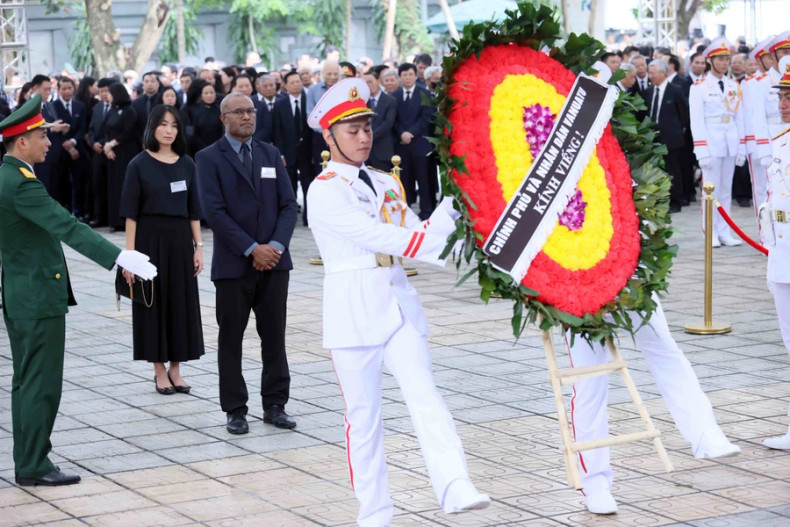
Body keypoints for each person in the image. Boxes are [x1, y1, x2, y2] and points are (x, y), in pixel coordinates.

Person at [306, 78, 490, 527]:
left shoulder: (387, 183)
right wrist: (427, 239)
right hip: (352, 311)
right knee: (363, 418)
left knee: (426, 394)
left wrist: (455, 200)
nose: (364, 136)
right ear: (329, 136)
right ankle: (374, 513)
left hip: (398, 306)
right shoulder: (325, 189)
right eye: (352, 129)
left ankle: (454, 484)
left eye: (367, 126)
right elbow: (382, 237)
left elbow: (418, 229)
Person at [0, 94, 156, 486]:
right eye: (41, 135)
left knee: (27, 380)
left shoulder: (9, 176)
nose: (48, 142)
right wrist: (118, 258)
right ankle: (34, 465)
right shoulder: (21, 185)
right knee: (40, 383)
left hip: (21, 293)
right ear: (22, 141)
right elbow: (66, 226)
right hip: (36, 297)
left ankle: (29, 459)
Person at [567, 295, 740, 515]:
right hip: (577, 290)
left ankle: (705, 433)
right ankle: (595, 482)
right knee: (589, 381)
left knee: (665, 350)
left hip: (632, 279)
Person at [196, 92, 298, 434]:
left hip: (275, 263)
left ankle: (275, 404)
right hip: (233, 265)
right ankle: (235, 409)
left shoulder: (270, 153)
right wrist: (252, 248)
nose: (247, 117)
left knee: (274, 337)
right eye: (239, 112)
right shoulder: (208, 158)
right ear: (223, 118)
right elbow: (214, 212)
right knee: (231, 339)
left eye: (250, 111)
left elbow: (287, 205)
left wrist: (275, 246)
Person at [120, 105, 205, 394]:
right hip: (149, 243)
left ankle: (177, 369)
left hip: (181, 242)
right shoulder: (138, 164)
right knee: (152, 305)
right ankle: (158, 370)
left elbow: (194, 211)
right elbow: (130, 214)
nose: (169, 130)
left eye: (174, 125)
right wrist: (129, 257)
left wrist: (199, 248)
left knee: (181, 304)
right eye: (163, 124)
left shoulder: (187, 164)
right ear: (152, 127)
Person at [689, 37, 746, 247]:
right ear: (710, 61)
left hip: (730, 141)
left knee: (726, 190)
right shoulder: (699, 87)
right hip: (711, 143)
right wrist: (701, 150)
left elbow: (739, 117)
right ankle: (710, 232)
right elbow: (696, 121)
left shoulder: (733, 85)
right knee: (710, 190)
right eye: (720, 59)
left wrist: (741, 146)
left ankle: (724, 232)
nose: (724, 63)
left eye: (726, 59)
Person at [762, 55, 790, 450]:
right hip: (782, 255)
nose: (783, 103)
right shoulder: (779, 142)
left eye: (789, 96)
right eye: (782, 95)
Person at [393, 63, 436, 219]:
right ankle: (406, 209)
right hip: (402, 145)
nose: (408, 78)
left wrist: (410, 133)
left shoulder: (425, 93)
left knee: (423, 179)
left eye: (410, 74)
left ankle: (426, 211)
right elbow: (394, 120)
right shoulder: (395, 95)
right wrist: (401, 133)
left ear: (415, 75)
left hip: (420, 143)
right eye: (404, 75)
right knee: (404, 180)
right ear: (400, 77)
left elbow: (426, 118)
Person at [646, 60, 689, 213]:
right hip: (653, 138)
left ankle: (676, 200)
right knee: (656, 170)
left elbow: (684, 114)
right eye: (649, 73)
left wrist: (678, 131)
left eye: (653, 73)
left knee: (673, 170)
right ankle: (659, 199)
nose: (650, 76)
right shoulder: (649, 91)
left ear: (663, 73)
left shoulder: (675, 90)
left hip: (671, 139)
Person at [272, 70, 313, 224]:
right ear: (286, 86)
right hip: (288, 151)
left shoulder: (309, 100)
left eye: (298, 81)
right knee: (289, 184)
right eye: (292, 83)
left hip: (307, 150)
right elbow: (277, 131)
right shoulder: (280, 104)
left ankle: (308, 217)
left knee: (308, 183)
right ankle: (289, 218)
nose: (296, 85)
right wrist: (280, 153)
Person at [103, 82, 140, 232]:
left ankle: (126, 220)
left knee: (125, 186)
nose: (107, 96)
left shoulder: (129, 111)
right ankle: (114, 220)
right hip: (112, 154)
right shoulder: (111, 110)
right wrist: (107, 147)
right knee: (113, 186)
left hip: (126, 153)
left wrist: (111, 144)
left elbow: (127, 131)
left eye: (110, 93)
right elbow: (106, 129)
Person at [49, 77, 88, 215]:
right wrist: (68, 146)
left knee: (79, 181)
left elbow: (82, 128)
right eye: (64, 88)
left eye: (70, 88)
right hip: (60, 150)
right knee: (61, 182)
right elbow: (54, 129)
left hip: (78, 148)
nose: (67, 91)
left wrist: (73, 142)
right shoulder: (52, 106)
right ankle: (63, 210)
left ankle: (79, 211)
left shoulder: (80, 105)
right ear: (58, 90)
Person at [363, 69, 397, 172]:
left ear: (378, 81)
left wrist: (370, 135)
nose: (368, 85)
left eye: (370, 81)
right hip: (364, 150)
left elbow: (388, 124)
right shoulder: (362, 101)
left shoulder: (390, 100)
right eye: (365, 83)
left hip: (382, 150)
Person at [181, 78, 223, 157]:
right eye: (206, 93)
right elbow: (190, 132)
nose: (209, 95)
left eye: (211, 93)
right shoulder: (190, 110)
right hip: (198, 149)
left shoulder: (220, 109)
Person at [131, 71, 162, 138]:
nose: (149, 84)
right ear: (143, 84)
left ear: (158, 84)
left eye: (152, 81)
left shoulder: (163, 101)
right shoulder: (136, 103)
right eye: (146, 81)